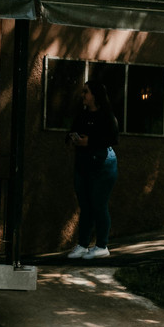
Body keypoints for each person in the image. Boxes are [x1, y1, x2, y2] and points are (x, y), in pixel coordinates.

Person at [65, 79, 118, 260]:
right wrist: (72, 139)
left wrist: (90, 141)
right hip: (83, 164)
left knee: (99, 205)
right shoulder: (83, 115)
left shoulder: (106, 116)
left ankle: (102, 245)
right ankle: (82, 245)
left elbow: (112, 138)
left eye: (86, 92)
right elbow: (71, 131)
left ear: (95, 95)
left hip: (103, 165)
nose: (83, 95)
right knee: (86, 206)